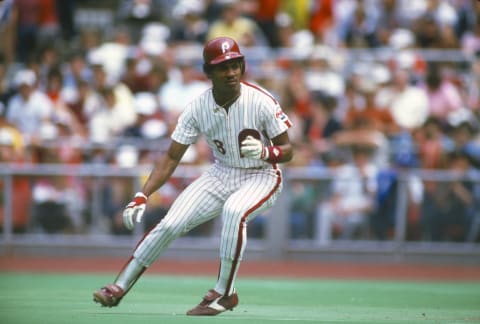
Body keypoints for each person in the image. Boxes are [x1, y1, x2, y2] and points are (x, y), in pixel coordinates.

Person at [92, 36, 293, 316]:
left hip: (262, 174)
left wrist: (265, 151)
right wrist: (143, 193)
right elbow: (171, 157)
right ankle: (119, 287)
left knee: (235, 211)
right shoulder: (197, 107)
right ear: (208, 72)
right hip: (221, 172)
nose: (232, 72)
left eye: (236, 64)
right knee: (170, 223)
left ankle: (224, 293)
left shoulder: (260, 101)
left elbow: (288, 150)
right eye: (223, 67)